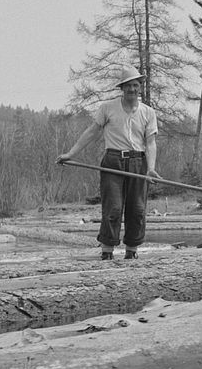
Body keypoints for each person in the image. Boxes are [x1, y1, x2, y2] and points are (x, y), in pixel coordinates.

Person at [58, 64, 161, 260]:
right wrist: (71, 153)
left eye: (135, 85)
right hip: (113, 161)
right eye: (128, 86)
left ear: (140, 87)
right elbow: (92, 131)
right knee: (113, 208)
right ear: (122, 88)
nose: (132, 89)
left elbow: (151, 143)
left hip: (138, 163)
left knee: (137, 209)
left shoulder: (148, 112)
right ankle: (107, 251)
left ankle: (132, 251)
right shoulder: (108, 108)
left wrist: (152, 168)